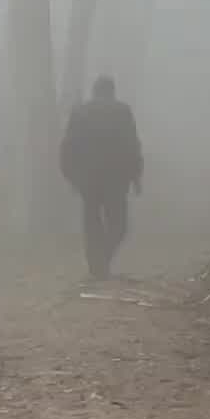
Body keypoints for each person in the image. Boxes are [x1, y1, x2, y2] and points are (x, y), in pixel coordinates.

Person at [60, 76, 143, 280]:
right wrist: (136, 176)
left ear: (94, 91)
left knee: (92, 222)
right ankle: (102, 262)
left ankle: (96, 266)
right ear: (112, 91)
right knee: (119, 225)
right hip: (116, 178)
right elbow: (132, 144)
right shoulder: (122, 111)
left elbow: (68, 146)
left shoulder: (80, 112)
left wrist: (71, 175)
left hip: (88, 179)